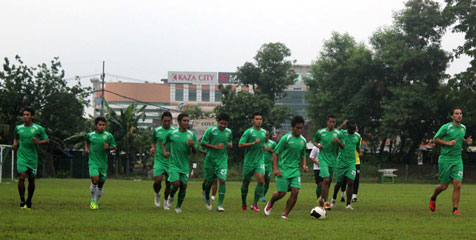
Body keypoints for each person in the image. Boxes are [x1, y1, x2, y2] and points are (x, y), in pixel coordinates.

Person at [430, 108, 473, 215]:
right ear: (452, 116)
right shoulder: (446, 127)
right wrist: (447, 143)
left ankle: (455, 210)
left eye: (460, 114)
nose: (459, 115)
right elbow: (435, 139)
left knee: (457, 185)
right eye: (456, 114)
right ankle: (433, 197)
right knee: (444, 186)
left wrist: (466, 141)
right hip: (445, 159)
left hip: (457, 159)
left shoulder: (463, 128)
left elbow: (459, 137)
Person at [264, 116, 308, 219]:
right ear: (292, 127)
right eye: (297, 128)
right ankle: (271, 202)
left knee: (295, 191)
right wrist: (275, 169)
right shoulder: (286, 138)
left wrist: (304, 165)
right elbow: (275, 153)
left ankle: (286, 214)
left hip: (295, 170)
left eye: (301, 128)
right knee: (281, 193)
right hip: (283, 169)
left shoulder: (303, 140)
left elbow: (303, 154)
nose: (299, 130)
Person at [12, 107, 49, 209]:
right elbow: (16, 138)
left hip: (33, 159)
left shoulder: (38, 128)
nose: (25, 116)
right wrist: (15, 144)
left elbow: (46, 140)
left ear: (32, 116)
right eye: (24, 114)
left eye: (27, 114)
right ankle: (22, 200)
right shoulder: (18, 128)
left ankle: (29, 200)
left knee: (32, 180)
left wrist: (38, 142)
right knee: (22, 176)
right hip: (21, 157)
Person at [163, 113, 197, 213]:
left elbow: (195, 152)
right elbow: (163, 143)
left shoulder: (191, 134)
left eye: (188, 121)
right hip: (173, 163)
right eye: (184, 121)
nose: (187, 122)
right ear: (179, 122)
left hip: (185, 164)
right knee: (176, 184)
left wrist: (192, 146)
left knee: (183, 186)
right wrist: (165, 152)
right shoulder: (172, 133)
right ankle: (171, 196)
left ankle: (178, 207)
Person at [200, 113, 233, 212]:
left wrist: (230, 145)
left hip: (222, 160)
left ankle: (220, 205)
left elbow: (230, 142)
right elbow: (203, 143)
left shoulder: (229, 132)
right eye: (221, 123)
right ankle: (207, 198)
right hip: (210, 160)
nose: (223, 126)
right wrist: (215, 147)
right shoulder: (210, 130)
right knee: (209, 182)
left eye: (225, 124)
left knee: (222, 180)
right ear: (217, 121)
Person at [312, 114, 344, 210]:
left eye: (334, 122)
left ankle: (321, 198)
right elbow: (314, 141)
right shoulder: (320, 132)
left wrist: (338, 142)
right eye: (330, 122)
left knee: (328, 181)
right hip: (323, 159)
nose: (332, 124)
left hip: (333, 160)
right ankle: (326, 202)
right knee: (326, 179)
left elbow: (343, 146)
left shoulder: (338, 133)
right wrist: (318, 145)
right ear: (327, 122)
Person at [85, 116, 117, 210]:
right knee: (95, 180)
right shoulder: (90, 135)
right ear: (96, 126)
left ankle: (96, 201)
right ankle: (93, 200)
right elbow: (87, 142)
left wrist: (109, 147)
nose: (102, 127)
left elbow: (114, 146)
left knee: (101, 183)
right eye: (100, 125)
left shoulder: (108, 136)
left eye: (103, 125)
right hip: (93, 161)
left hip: (103, 163)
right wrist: (87, 148)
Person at [238, 112, 267, 211]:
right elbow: (240, 144)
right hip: (249, 161)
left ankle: (254, 204)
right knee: (246, 182)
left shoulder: (264, 132)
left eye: (260, 119)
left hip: (260, 160)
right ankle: (243, 203)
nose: (259, 121)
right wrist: (253, 143)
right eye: (257, 119)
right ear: (253, 120)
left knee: (261, 180)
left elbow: (262, 143)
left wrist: (263, 146)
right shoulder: (248, 132)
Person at [331, 120, 361, 210]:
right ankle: (333, 199)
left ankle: (348, 204)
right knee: (339, 183)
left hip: (351, 163)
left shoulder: (357, 136)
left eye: (354, 129)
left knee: (351, 182)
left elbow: (357, 147)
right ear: (347, 128)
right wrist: (342, 125)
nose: (352, 131)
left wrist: (360, 152)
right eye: (350, 130)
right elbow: (334, 132)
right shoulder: (342, 133)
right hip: (341, 162)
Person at [150, 111, 176, 210]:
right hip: (159, 159)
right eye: (165, 121)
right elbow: (153, 142)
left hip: (171, 161)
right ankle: (157, 194)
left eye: (168, 121)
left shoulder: (174, 131)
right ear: (161, 121)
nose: (167, 123)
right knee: (158, 180)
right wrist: (152, 148)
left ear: (171, 121)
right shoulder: (157, 130)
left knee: (169, 183)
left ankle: (165, 201)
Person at [262, 131, 277, 202]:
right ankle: (261, 196)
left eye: (267, 135)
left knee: (267, 180)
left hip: (269, 165)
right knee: (261, 180)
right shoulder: (260, 143)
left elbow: (277, 152)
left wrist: (271, 150)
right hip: (260, 164)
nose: (266, 137)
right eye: (265, 135)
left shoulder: (272, 143)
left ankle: (263, 194)